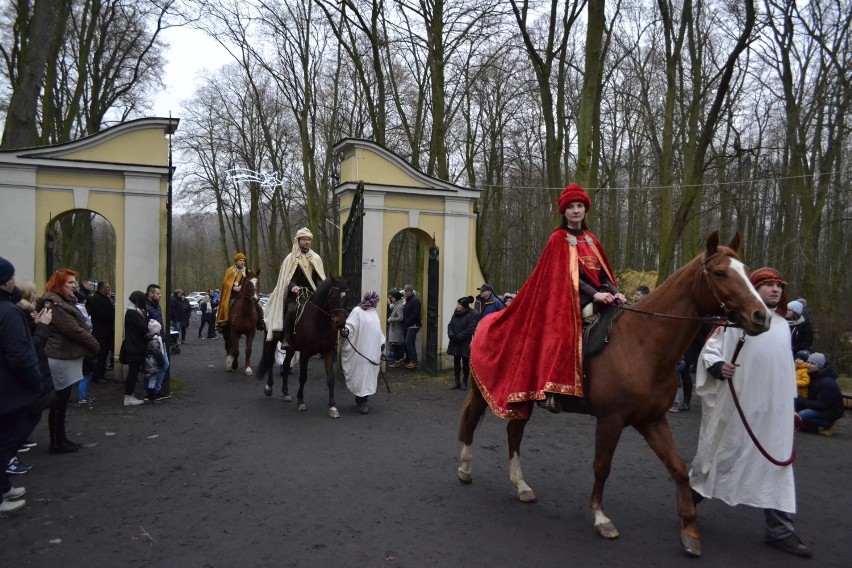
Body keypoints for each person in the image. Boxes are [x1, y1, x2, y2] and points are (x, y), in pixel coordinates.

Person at [470, 183, 625, 419]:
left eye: (580, 206)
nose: (576, 210)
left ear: (585, 209)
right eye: (571, 207)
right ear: (564, 212)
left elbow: (603, 273)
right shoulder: (557, 239)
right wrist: (593, 294)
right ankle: (553, 390)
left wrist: (615, 291)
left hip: (600, 296)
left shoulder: (591, 239)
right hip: (569, 300)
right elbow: (563, 276)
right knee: (563, 333)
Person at [689, 267, 811, 558]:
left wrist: (790, 409)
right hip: (739, 410)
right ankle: (687, 502)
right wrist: (719, 366)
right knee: (721, 459)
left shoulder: (783, 326)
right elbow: (710, 351)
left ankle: (780, 531)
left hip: (774, 417)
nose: (775, 290)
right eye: (768, 285)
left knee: (777, 467)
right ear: (754, 289)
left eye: (778, 286)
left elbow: (782, 371)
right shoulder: (736, 323)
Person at [0, 258, 50, 514]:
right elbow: (21, 354)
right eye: (11, 276)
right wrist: (35, 381)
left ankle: (5, 485)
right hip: (10, 388)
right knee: (6, 441)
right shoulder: (9, 312)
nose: (13, 280)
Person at [42, 268, 100, 453]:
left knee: (63, 399)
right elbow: (72, 330)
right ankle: (56, 442)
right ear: (58, 284)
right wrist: (95, 345)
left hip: (66, 354)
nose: (75, 285)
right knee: (59, 400)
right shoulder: (55, 303)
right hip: (60, 356)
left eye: (75, 282)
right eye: (70, 282)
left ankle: (61, 438)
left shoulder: (63, 301)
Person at [263, 228, 326, 346]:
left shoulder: (316, 258)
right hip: (296, 295)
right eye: (304, 240)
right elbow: (286, 278)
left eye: (308, 240)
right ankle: (286, 338)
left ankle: (326, 338)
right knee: (291, 311)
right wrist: (293, 287)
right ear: (298, 241)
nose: (307, 242)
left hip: (312, 294)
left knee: (325, 310)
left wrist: (321, 289)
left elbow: (320, 278)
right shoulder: (290, 258)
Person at [339, 291, 386, 414]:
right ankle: (361, 401)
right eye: (376, 301)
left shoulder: (374, 313)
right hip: (361, 350)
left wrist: (381, 346)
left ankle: (363, 398)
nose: (377, 303)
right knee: (361, 375)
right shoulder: (357, 311)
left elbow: (377, 331)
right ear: (372, 301)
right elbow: (350, 325)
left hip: (372, 351)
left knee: (369, 375)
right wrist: (346, 331)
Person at [795, 352, 843, 436]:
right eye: (808, 362)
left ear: (820, 366)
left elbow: (823, 405)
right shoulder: (812, 376)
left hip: (831, 411)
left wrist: (801, 401)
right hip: (819, 406)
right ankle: (810, 427)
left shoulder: (827, 383)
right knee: (796, 411)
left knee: (802, 415)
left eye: (813, 363)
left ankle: (829, 424)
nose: (809, 365)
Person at [217, 253, 265, 333]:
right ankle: (224, 323)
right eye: (240, 260)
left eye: (243, 261)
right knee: (227, 305)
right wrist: (233, 287)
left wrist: (244, 288)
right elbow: (226, 283)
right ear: (236, 262)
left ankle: (260, 322)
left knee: (258, 305)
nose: (242, 262)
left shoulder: (246, 271)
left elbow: (251, 281)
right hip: (233, 294)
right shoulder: (230, 270)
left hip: (245, 294)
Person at [120, 291, 148, 406]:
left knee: (133, 372)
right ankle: (128, 396)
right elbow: (143, 328)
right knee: (133, 372)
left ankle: (130, 395)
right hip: (135, 347)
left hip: (133, 346)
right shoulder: (133, 313)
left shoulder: (132, 311)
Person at [87, 281, 114, 384]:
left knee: (104, 354)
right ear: (101, 288)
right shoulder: (96, 299)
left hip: (107, 331)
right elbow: (101, 314)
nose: (109, 288)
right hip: (101, 331)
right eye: (107, 287)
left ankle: (102, 374)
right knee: (100, 355)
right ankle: (97, 376)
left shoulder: (105, 298)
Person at [145, 284, 170, 397]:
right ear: (151, 294)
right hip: (152, 341)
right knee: (160, 365)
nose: (160, 296)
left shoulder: (156, 305)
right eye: (158, 294)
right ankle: (154, 391)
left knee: (161, 365)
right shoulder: (145, 307)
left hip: (160, 339)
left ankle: (154, 390)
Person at [447, 296, 476, 390]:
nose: (457, 306)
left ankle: (464, 382)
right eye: (457, 304)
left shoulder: (471, 314)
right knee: (456, 361)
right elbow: (450, 325)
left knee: (465, 362)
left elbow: (471, 328)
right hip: (454, 340)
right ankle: (457, 382)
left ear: (463, 306)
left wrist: (460, 336)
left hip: (464, 342)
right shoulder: (455, 313)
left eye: (459, 304)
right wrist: (451, 334)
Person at [142, 320, 167, 402]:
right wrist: (161, 362)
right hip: (153, 363)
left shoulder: (147, 338)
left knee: (148, 378)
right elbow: (157, 354)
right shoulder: (156, 340)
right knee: (152, 380)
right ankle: (151, 397)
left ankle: (147, 395)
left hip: (147, 362)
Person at [401, 285, 422, 370]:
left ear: (411, 291)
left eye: (407, 291)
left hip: (413, 325)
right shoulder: (409, 300)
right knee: (411, 342)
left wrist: (407, 321)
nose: (405, 292)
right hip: (409, 324)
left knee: (408, 342)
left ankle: (413, 361)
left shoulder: (415, 300)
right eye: (405, 291)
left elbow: (415, 314)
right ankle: (410, 358)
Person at [386, 290, 405, 366]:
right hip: (395, 329)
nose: (391, 299)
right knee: (396, 346)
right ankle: (397, 361)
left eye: (393, 298)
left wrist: (391, 320)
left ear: (396, 298)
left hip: (397, 329)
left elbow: (401, 318)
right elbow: (392, 306)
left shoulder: (399, 306)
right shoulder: (397, 304)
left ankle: (397, 361)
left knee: (397, 346)